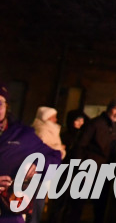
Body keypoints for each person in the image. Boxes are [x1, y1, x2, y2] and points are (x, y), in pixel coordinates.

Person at [0, 83, 61, 223]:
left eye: (0, 103)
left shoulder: (22, 135)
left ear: (7, 106)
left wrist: (40, 165)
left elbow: (55, 157)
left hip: (8, 214)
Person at [65, 97, 116, 223]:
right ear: (110, 108)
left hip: (104, 172)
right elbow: (80, 146)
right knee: (77, 206)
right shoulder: (95, 124)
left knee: (100, 206)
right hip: (89, 169)